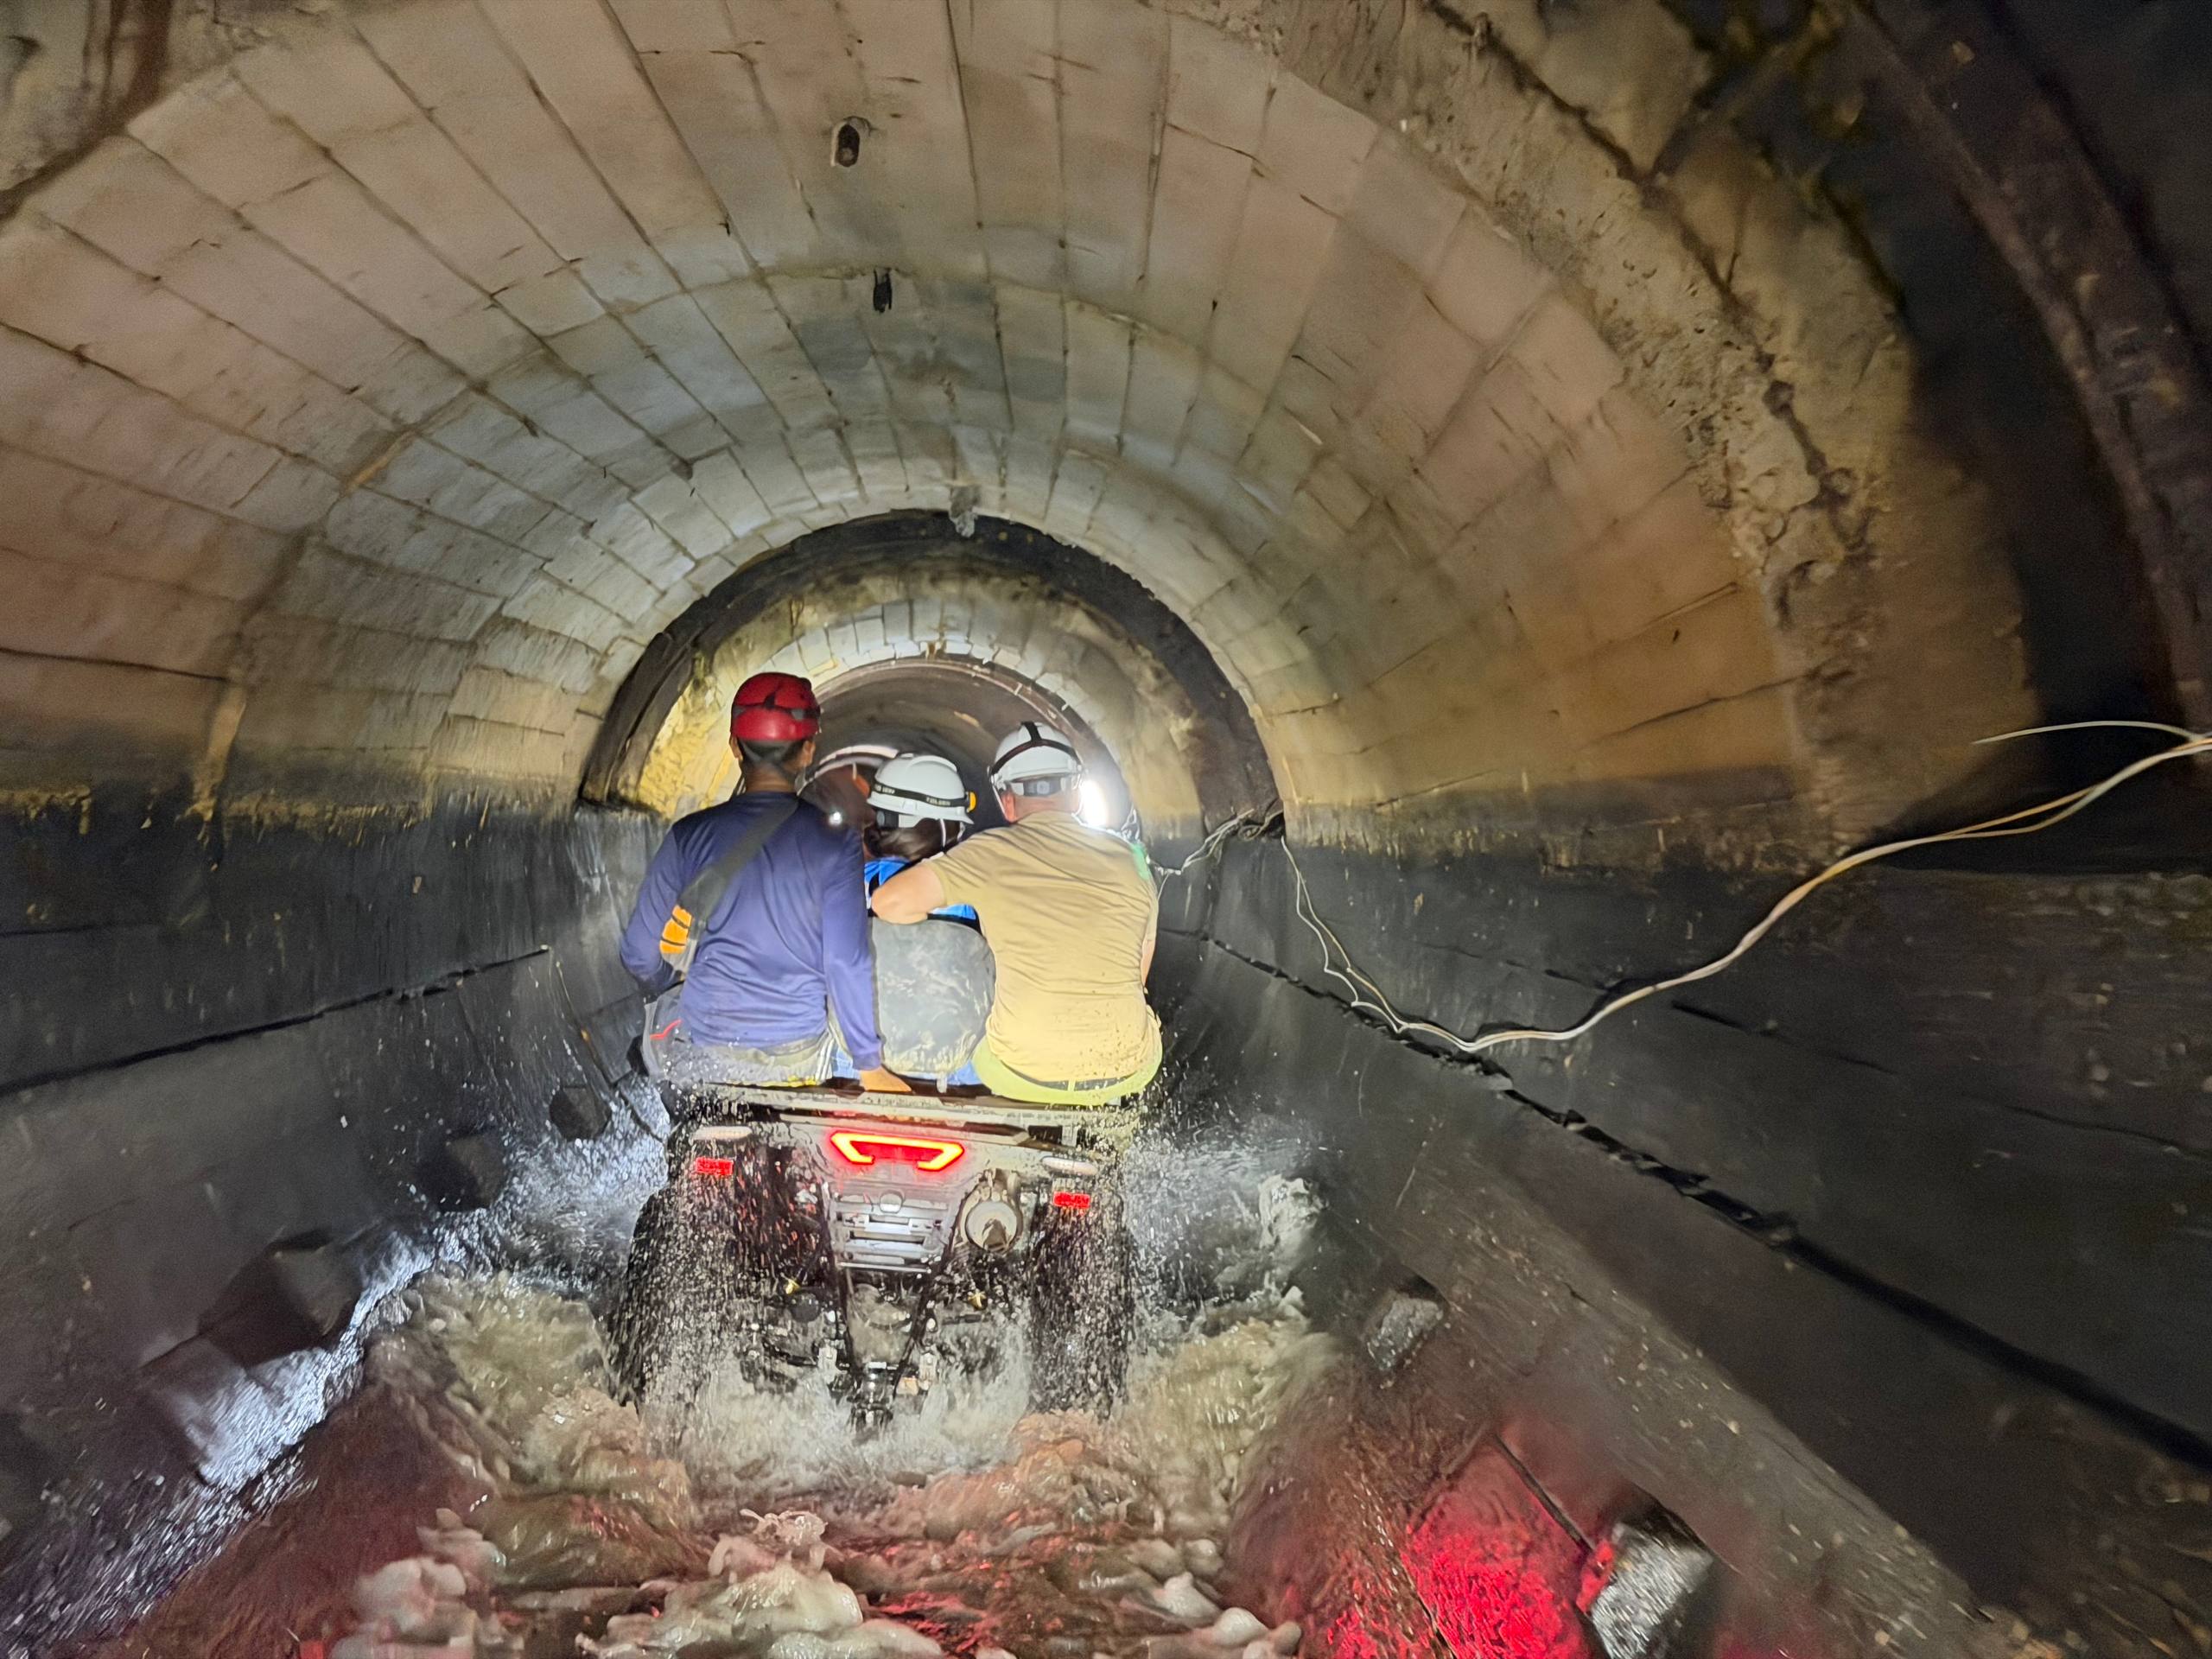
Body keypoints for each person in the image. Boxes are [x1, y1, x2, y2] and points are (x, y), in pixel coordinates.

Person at [620, 671, 907, 1096]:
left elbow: (638, 954)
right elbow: (845, 960)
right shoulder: (838, 844)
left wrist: (670, 983)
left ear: (735, 747)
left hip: (707, 1043)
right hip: (797, 1048)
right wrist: (869, 1064)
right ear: (808, 751)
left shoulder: (688, 835)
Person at [871, 721, 1160, 1106]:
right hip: (1129, 1068)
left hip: (1022, 1073)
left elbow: (888, 903)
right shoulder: (1133, 860)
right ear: (1076, 793)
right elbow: (1139, 972)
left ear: (1007, 801)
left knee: (980, 1041)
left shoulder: (989, 853)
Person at [862, 753, 993, 1084]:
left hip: (863, 1059)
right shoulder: (966, 892)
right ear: (942, 825)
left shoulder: (850, 882)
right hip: (954, 1065)